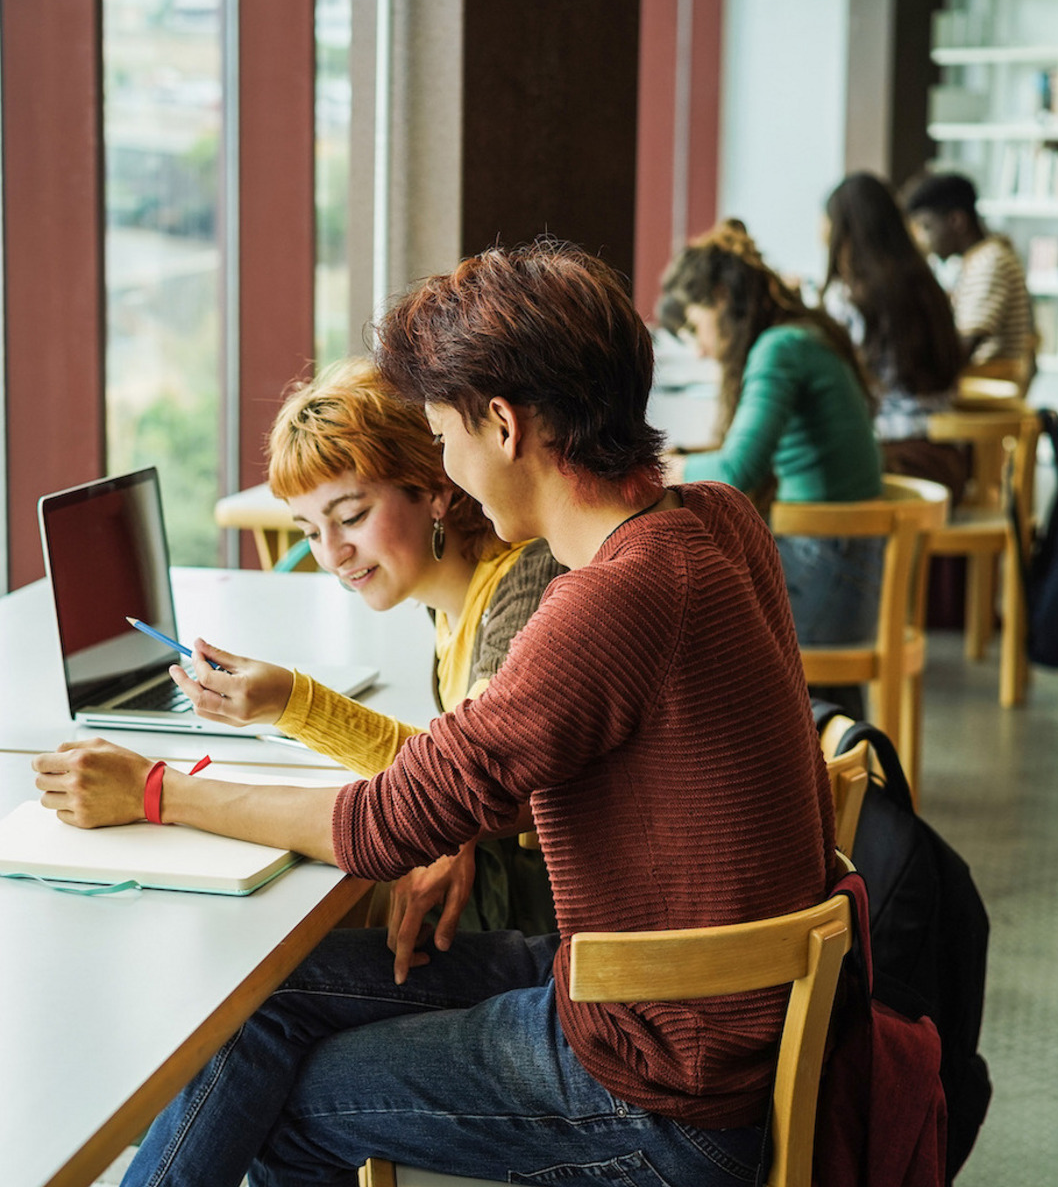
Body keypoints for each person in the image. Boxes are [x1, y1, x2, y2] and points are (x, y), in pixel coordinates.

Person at [34, 241, 837, 1187]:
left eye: (443, 434)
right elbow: (505, 782)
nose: (445, 466)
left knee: (281, 1095)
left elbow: (377, 828)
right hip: (677, 1008)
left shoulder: (603, 601)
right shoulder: (711, 517)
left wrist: (156, 790)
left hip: (657, 1084)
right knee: (262, 1006)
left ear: (501, 425)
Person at [177, 356, 561, 952]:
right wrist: (454, 833)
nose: (332, 554)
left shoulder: (529, 586)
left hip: (557, 944)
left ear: (434, 488)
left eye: (351, 516)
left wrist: (294, 704)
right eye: (308, 531)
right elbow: (460, 771)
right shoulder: (451, 602)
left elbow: (460, 783)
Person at [656, 218, 884, 650]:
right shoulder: (800, 336)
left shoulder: (780, 348)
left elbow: (735, 470)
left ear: (721, 299)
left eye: (694, 325)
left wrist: (654, 467)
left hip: (827, 576)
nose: (700, 349)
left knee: (669, 621)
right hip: (847, 570)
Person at [821, 171, 968, 501]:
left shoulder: (848, 299)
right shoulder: (931, 286)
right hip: (949, 459)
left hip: (893, 465)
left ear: (842, 232)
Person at [904, 171, 1035, 377]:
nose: (924, 240)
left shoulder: (990, 261)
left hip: (985, 385)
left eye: (927, 227)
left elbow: (966, 345)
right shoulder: (981, 258)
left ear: (956, 221)